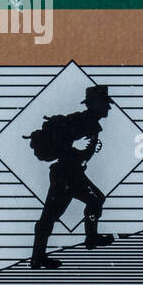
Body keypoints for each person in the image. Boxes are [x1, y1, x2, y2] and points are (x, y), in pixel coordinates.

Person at [28, 84, 115, 269]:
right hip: (65, 175)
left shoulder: (91, 123)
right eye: (104, 104)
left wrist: (86, 152)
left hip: (74, 174)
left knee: (96, 199)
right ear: (94, 105)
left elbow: (82, 149)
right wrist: (76, 152)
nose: (108, 107)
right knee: (50, 216)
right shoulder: (79, 121)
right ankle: (37, 258)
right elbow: (61, 144)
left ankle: (91, 238)